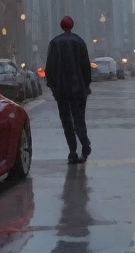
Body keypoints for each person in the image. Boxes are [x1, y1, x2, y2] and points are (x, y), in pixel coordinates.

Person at [44, 15, 93, 164]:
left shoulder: (54, 43)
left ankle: (73, 151)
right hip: (79, 89)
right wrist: (86, 86)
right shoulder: (79, 42)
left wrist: (53, 86)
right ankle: (84, 144)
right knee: (79, 119)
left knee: (66, 121)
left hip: (61, 90)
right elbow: (86, 67)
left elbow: (49, 69)